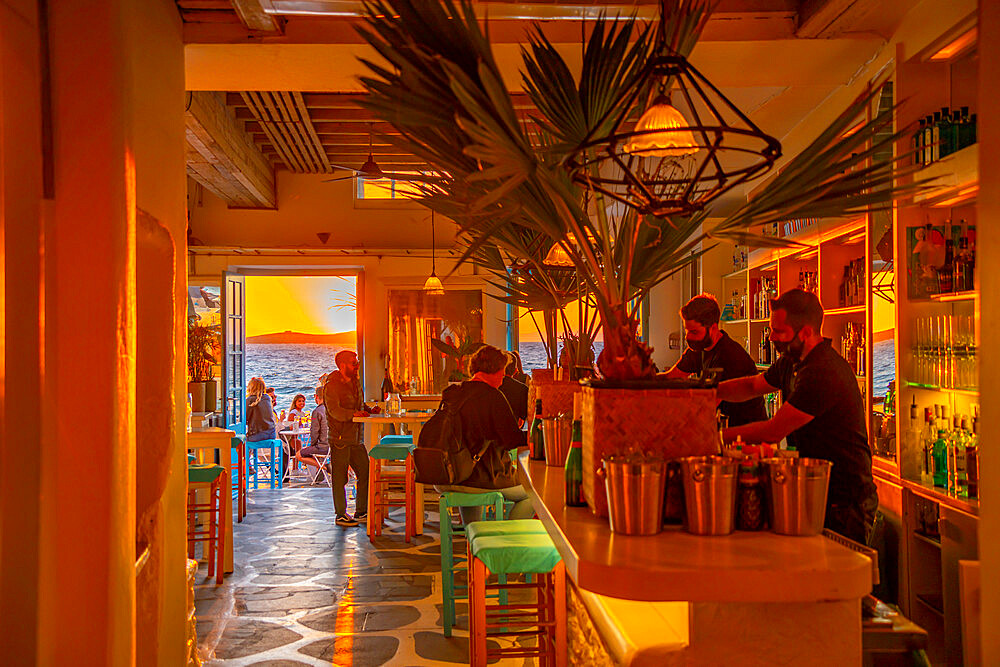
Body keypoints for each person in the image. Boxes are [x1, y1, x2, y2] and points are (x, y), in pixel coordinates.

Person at [717, 289, 877, 544]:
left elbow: (773, 431)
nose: (771, 337)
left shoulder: (822, 371)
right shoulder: (793, 360)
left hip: (846, 501)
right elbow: (752, 386)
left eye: (779, 332)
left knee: (836, 579)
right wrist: (711, 392)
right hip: (818, 489)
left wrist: (716, 437)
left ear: (805, 332)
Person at [435, 345, 532, 523]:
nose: (504, 378)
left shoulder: (453, 393)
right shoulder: (493, 397)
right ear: (493, 370)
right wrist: (535, 436)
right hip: (479, 477)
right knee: (533, 494)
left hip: (445, 474)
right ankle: (507, 543)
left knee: (473, 471)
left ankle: (473, 538)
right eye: (502, 372)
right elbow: (512, 440)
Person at [660, 294, 767, 427]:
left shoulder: (731, 356)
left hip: (746, 433)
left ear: (713, 328)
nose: (688, 337)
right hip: (721, 427)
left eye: (694, 332)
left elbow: (709, 403)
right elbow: (670, 377)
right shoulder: (699, 348)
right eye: (686, 331)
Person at [323, 350, 372, 527]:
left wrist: (368, 409)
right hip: (340, 438)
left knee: (365, 472)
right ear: (342, 365)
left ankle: (361, 511)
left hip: (356, 438)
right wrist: (354, 414)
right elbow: (334, 411)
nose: (357, 364)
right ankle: (341, 514)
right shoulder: (332, 386)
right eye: (353, 362)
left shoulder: (355, 382)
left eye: (357, 361)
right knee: (339, 477)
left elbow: (357, 404)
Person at [294, 386, 330, 479]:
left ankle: (325, 468)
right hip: (333, 446)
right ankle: (321, 471)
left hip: (323, 447)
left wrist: (312, 444)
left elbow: (314, 432)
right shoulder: (331, 409)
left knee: (299, 455)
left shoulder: (317, 411)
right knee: (315, 452)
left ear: (316, 396)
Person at [498, 351, 529, 426]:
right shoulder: (523, 389)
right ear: (515, 371)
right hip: (513, 429)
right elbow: (522, 419)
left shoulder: (494, 386)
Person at [246, 377, 277, 443]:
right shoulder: (267, 398)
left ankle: (248, 453)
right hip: (271, 433)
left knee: (240, 441)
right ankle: (251, 453)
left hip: (257, 434)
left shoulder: (250, 400)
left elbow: (245, 418)